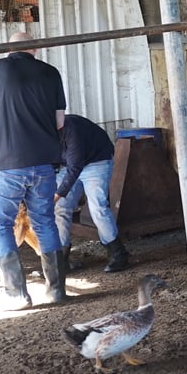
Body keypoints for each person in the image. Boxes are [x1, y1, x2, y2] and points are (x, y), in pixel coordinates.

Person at [0, 30, 68, 309]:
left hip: (7, 166)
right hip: (44, 166)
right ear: (35, 49)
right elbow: (59, 122)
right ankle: (56, 291)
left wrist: (1, 131)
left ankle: (17, 295)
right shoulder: (51, 73)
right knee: (45, 222)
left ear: (8, 50)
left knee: (1, 224)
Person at [54, 113, 130, 274]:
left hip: (97, 161)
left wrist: (56, 195)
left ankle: (118, 253)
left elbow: (75, 168)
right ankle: (60, 259)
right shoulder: (41, 133)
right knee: (60, 208)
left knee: (98, 207)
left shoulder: (71, 129)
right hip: (68, 165)